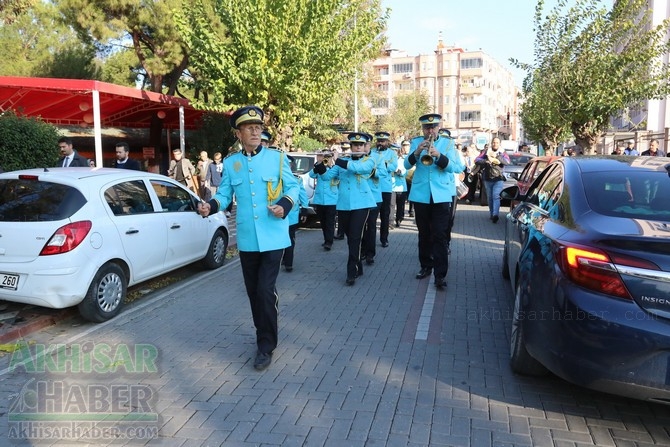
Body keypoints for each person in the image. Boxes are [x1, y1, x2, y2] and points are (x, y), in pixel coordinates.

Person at [197, 105, 299, 371]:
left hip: (275, 236)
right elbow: (225, 193)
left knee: (266, 290)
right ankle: (262, 332)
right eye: (249, 128)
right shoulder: (232, 163)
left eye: (258, 127)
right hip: (247, 238)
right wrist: (211, 205)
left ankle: (266, 345)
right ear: (239, 133)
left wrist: (284, 205)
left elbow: (293, 187)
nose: (255, 131)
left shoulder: (276, 158)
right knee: (254, 292)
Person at [404, 113, 464, 289]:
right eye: (427, 127)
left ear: (438, 127)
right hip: (421, 194)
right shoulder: (415, 142)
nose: (430, 130)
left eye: (433, 127)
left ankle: (440, 274)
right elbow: (407, 166)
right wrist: (416, 153)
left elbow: (458, 167)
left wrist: (439, 156)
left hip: (441, 195)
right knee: (424, 234)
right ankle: (425, 266)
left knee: (439, 234)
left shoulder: (448, 143)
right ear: (422, 128)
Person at [314, 132, 376, 285]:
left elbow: (356, 169)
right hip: (343, 205)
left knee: (355, 237)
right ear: (351, 146)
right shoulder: (343, 161)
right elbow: (327, 177)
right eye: (355, 145)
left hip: (362, 204)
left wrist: (338, 160)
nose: (357, 147)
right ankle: (358, 264)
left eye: (360, 145)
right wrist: (320, 164)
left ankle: (351, 272)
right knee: (351, 238)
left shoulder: (368, 161)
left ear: (364, 146)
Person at [475, 137, 510, 224]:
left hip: (498, 178)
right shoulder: (486, 151)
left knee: (496, 196)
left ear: (499, 144)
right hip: (487, 178)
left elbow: (507, 162)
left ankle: (495, 215)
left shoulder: (503, 152)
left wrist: (498, 156)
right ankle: (491, 214)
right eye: (494, 142)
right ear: (491, 143)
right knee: (490, 198)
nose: (495, 144)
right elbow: (476, 160)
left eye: (497, 142)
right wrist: (485, 161)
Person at [309, 151, 339, 250]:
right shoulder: (319, 168)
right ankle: (326, 239)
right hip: (320, 200)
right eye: (325, 157)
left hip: (332, 199)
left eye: (328, 157)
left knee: (330, 222)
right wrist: (319, 163)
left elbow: (338, 177)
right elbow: (311, 175)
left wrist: (332, 164)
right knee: (323, 222)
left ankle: (329, 242)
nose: (327, 159)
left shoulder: (335, 169)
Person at [373, 131, 397, 248]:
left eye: (383, 141)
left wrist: (382, 164)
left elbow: (394, 166)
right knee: (372, 215)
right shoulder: (372, 152)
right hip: (373, 188)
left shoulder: (392, 153)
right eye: (379, 141)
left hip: (385, 188)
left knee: (385, 215)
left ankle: (384, 238)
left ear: (387, 142)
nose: (380, 143)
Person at [282, 171, 309, 272]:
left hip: (291, 215)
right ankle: (284, 258)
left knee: (290, 238)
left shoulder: (296, 179)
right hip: (276, 214)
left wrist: (304, 209)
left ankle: (288, 262)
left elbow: (302, 194)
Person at [362, 133, 382, 265]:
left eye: (366, 144)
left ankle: (370, 253)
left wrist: (373, 171)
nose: (363, 147)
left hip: (374, 197)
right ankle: (361, 250)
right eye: (361, 145)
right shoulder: (353, 158)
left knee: (371, 225)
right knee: (360, 226)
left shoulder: (377, 157)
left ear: (370, 145)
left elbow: (384, 173)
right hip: (360, 197)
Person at [392, 143, 407, 227]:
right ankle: (390, 222)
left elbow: (406, 171)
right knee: (391, 205)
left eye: (395, 150)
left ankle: (399, 219)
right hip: (391, 187)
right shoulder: (388, 160)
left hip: (401, 187)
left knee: (400, 206)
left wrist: (400, 172)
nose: (393, 152)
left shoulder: (403, 160)